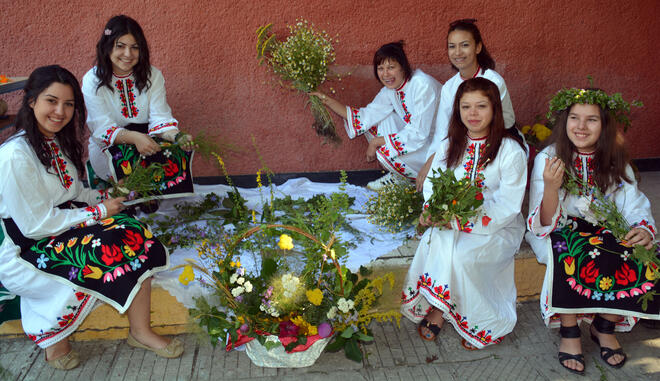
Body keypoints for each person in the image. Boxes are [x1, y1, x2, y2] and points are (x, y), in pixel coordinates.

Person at [0, 65, 183, 370]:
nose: (60, 111)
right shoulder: (14, 155)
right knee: (108, 248)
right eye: (51, 101)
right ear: (31, 101)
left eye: (68, 104)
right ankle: (55, 342)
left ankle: (141, 331)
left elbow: (73, 193)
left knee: (133, 231)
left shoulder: (54, 142)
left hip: (61, 229)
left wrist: (109, 196)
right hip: (28, 248)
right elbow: (35, 225)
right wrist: (98, 212)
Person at [526, 87, 659, 374]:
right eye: (575, 118)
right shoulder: (548, 157)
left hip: (606, 226)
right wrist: (551, 186)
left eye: (592, 120)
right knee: (567, 251)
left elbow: (633, 203)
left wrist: (642, 228)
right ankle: (570, 331)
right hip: (558, 226)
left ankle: (604, 326)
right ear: (564, 122)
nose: (581, 127)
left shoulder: (614, 158)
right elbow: (544, 218)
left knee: (637, 250)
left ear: (605, 124)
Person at [401, 77, 527, 350]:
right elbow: (434, 183)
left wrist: (462, 220)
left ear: (495, 109)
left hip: (498, 225)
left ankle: (480, 320)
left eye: (481, 106)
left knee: (463, 256)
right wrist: (434, 210)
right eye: (465, 106)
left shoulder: (510, 150)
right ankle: (440, 305)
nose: (473, 113)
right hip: (451, 218)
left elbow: (508, 204)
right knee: (437, 242)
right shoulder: (450, 144)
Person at [82, 15, 193, 198]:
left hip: (147, 143)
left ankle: (145, 193)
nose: (128, 54)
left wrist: (178, 136)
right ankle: (119, 186)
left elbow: (161, 118)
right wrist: (134, 138)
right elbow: (101, 128)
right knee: (129, 191)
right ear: (107, 46)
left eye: (135, 47)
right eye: (120, 46)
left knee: (174, 155)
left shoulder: (152, 75)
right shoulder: (92, 79)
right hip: (109, 147)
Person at [312, 41, 441, 191]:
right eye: (381, 68)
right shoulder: (391, 90)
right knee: (375, 122)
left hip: (439, 148)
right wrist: (325, 99)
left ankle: (421, 179)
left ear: (403, 67)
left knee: (385, 151)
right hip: (421, 142)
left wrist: (376, 142)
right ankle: (402, 177)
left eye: (391, 67)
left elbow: (418, 133)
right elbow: (365, 117)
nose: (385, 74)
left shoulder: (422, 85)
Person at [416, 19, 518, 191]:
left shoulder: (493, 80)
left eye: (464, 45)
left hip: (495, 142)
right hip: (461, 143)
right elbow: (442, 130)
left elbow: (506, 121)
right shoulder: (449, 87)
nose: (458, 52)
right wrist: (430, 162)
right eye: (451, 46)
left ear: (478, 47)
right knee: (436, 187)